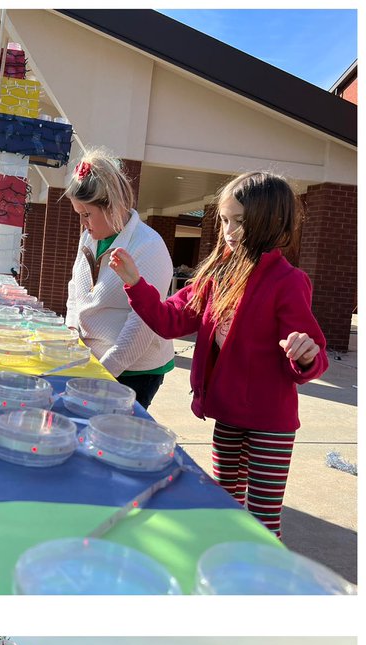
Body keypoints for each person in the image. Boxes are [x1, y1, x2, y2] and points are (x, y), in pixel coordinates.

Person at [109, 171, 326, 537]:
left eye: (239, 221)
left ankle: (257, 580)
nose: (228, 229)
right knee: (223, 506)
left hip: (270, 423)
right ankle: (225, 565)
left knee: (261, 521)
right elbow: (171, 319)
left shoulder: (288, 282)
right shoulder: (217, 275)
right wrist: (135, 283)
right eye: (225, 219)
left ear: (271, 222)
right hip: (227, 415)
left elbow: (311, 353)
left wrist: (304, 354)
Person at [64, 148, 176, 410]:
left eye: (87, 214)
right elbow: (75, 290)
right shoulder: (89, 238)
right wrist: (71, 330)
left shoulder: (148, 246)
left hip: (134, 371)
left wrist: (103, 374)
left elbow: (143, 324)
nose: (83, 223)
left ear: (114, 205)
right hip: (93, 363)